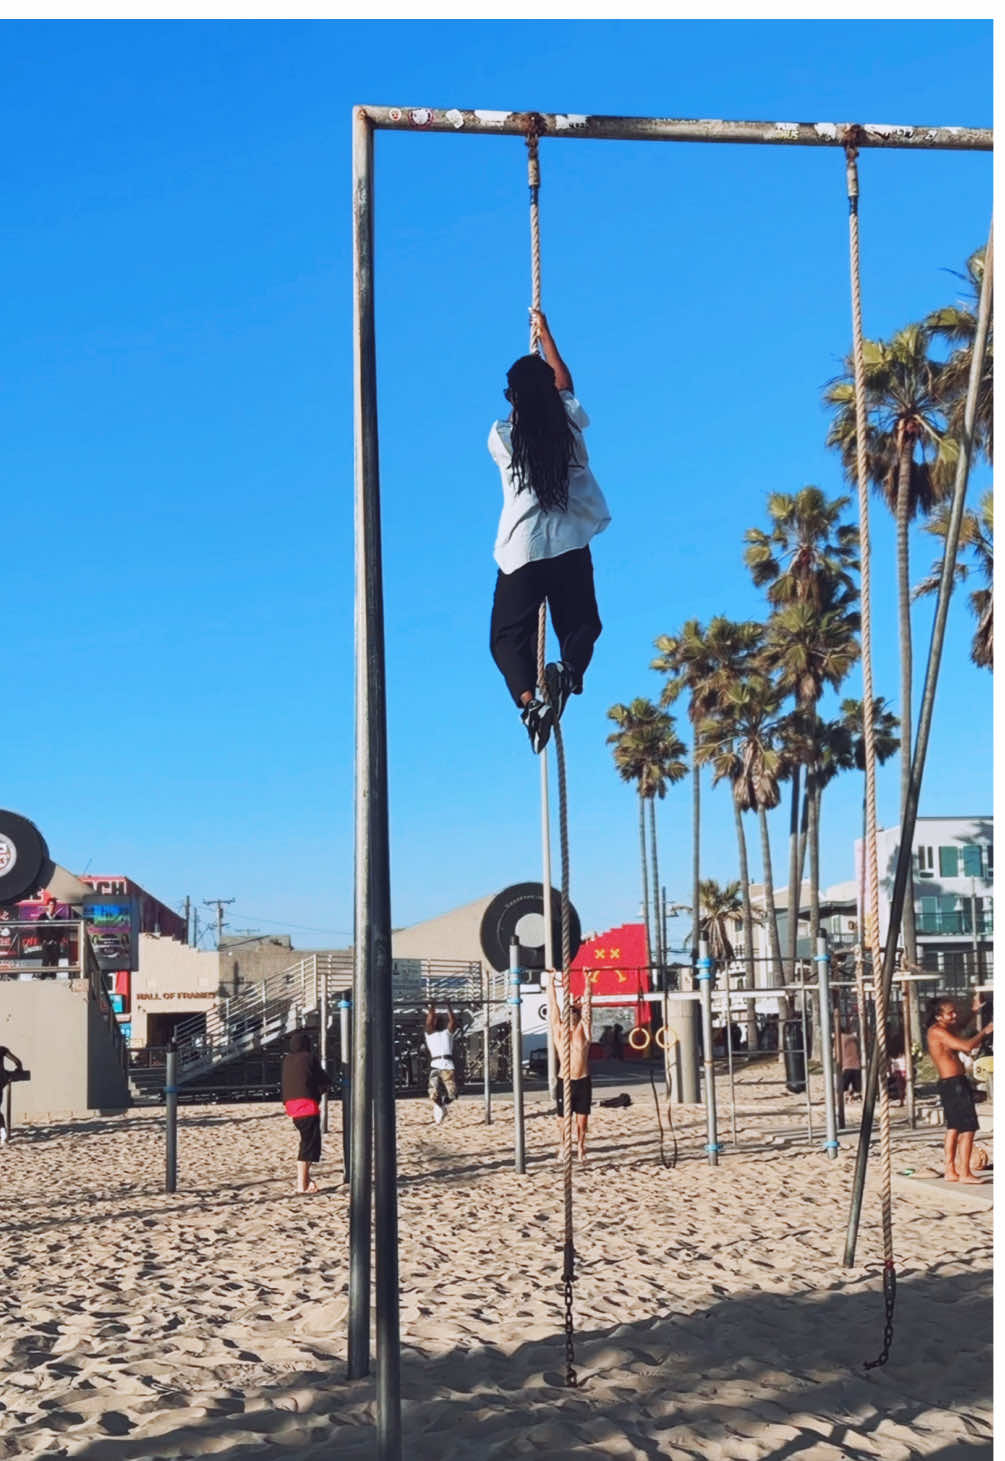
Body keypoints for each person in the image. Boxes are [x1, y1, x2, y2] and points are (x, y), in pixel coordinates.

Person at [488, 309, 611, 753]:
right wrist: (548, 338)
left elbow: (542, 395)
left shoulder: (503, 438)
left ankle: (529, 705)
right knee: (580, 624)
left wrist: (523, 391)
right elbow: (564, 383)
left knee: (506, 637)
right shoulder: (570, 426)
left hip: (523, 551)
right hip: (567, 544)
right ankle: (569, 671)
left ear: (514, 399)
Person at [926, 998, 993, 1183]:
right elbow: (966, 1046)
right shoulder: (938, 1031)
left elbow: (960, 1025)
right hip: (954, 1084)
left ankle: (951, 1170)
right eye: (950, 1013)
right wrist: (985, 1031)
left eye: (955, 1011)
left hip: (952, 1083)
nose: (954, 1015)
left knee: (954, 1127)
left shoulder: (944, 1028)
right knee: (968, 1128)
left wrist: (973, 1011)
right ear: (939, 1016)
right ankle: (964, 1172)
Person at [547, 972, 593, 1160]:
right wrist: (550, 983)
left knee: (581, 1121)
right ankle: (564, 1145)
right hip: (564, 1081)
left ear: (577, 1015)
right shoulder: (559, 1033)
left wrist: (588, 981)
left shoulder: (584, 1031)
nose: (571, 1016)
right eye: (569, 1014)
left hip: (582, 1081)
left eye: (574, 1013)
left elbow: (588, 1006)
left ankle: (581, 1146)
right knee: (562, 1120)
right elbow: (553, 1006)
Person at [280, 1030, 331, 1194]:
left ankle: (307, 1182)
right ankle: (301, 1185)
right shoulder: (309, 1058)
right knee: (309, 1146)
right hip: (307, 1105)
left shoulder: (287, 1060)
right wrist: (323, 1089)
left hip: (291, 1106)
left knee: (307, 1142)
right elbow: (322, 1079)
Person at [425, 1002, 458, 1124]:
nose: (435, 1023)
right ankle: (440, 1106)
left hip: (447, 1065)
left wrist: (449, 1006)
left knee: (452, 1093)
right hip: (435, 1065)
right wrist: (432, 1007)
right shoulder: (429, 1033)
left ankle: (443, 1105)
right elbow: (430, 1020)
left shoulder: (447, 1033)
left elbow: (453, 1021)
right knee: (432, 1093)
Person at [0, 1045, 24, 1145]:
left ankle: (2, 1131)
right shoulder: (2, 1049)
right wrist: (19, 1069)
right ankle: (3, 1132)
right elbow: (17, 1062)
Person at [839, 1027, 862, 1100]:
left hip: (847, 1065)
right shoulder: (853, 1038)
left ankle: (848, 1096)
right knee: (857, 1088)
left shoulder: (840, 1039)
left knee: (843, 1088)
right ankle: (854, 1094)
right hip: (856, 1065)